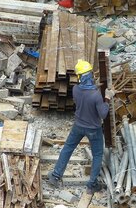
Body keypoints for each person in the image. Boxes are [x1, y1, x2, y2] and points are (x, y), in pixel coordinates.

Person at [47, 59, 115, 194]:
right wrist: (107, 97)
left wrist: (97, 87)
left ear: (80, 77)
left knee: (67, 148)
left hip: (78, 125)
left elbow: (87, 92)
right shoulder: (96, 96)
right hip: (94, 129)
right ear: (90, 75)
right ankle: (92, 185)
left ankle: (56, 176)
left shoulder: (76, 89)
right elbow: (103, 114)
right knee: (97, 155)